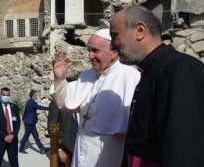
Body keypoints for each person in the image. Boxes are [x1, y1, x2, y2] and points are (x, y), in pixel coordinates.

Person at [110, 5, 204, 166]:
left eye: (115, 36)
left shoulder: (182, 70)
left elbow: (187, 152)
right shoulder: (152, 71)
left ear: (140, 30)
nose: (112, 45)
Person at [50, 28, 141, 167]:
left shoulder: (132, 77)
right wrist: (59, 80)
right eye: (89, 50)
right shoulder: (86, 76)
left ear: (114, 52)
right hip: (81, 147)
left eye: (95, 50)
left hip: (109, 154)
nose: (90, 56)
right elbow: (66, 104)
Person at [48, 101, 78, 166]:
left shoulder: (77, 104)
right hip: (64, 151)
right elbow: (52, 130)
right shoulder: (56, 103)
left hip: (76, 150)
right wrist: (59, 149)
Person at [19, 90, 49, 154]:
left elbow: (26, 111)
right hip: (30, 122)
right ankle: (21, 149)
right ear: (33, 96)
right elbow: (39, 107)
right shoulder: (33, 103)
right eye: (36, 95)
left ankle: (42, 149)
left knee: (35, 136)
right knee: (26, 136)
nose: (37, 96)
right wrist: (49, 108)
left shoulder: (28, 102)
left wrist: (24, 118)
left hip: (30, 122)